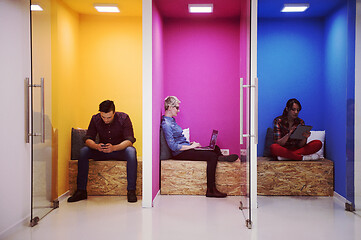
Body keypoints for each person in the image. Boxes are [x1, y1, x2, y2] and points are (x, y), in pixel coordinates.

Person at [161, 96, 239, 198]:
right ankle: (211, 190)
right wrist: (190, 147)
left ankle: (219, 157)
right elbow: (173, 146)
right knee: (211, 156)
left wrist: (190, 144)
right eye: (177, 107)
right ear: (170, 107)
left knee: (215, 148)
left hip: (185, 148)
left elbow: (178, 139)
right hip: (180, 153)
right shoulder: (166, 124)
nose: (178, 110)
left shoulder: (172, 121)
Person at [68, 100, 138, 203]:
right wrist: (96, 146)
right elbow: (87, 139)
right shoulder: (95, 119)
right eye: (103, 117)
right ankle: (81, 191)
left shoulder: (124, 118)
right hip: (101, 151)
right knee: (84, 151)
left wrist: (114, 148)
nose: (106, 120)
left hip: (119, 150)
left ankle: (131, 191)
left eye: (109, 117)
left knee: (131, 151)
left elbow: (129, 141)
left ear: (114, 112)